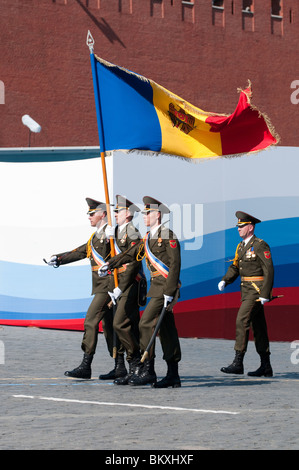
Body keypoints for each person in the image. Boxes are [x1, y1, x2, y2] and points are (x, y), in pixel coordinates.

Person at [101, 196, 182, 388]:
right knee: (168, 330)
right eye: (144, 213)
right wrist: (110, 263)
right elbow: (130, 254)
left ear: (158, 215)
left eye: (148, 213)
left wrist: (170, 291)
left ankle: (148, 370)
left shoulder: (167, 235)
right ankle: (173, 374)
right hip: (156, 289)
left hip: (165, 289)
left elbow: (175, 265)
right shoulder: (147, 238)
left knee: (146, 324)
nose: (144, 216)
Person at [45, 198, 127, 380]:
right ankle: (119, 366)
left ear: (102, 214)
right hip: (100, 286)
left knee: (90, 321)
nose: (89, 217)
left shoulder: (111, 234)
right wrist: (59, 259)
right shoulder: (95, 236)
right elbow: (80, 251)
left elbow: (125, 257)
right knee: (108, 327)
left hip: (108, 287)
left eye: (92, 214)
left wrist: (119, 286)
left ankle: (86, 365)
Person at [218, 211, 274, 377]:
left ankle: (238, 362)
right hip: (246, 291)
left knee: (242, 320)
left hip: (256, 291)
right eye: (238, 226)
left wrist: (265, 293)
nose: (239, 229)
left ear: (250, 227)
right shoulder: (241, 246)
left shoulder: (259, 245)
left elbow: (268, 269)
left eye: (241, 226)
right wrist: (225, 280)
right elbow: (235, 267)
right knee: (259, 327)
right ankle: (266, 365)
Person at [102, 195, 143, 386]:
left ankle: (136, 361)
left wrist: (120, 287)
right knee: (121, 326)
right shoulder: (119, 232)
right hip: (118, 282)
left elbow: (134, 263)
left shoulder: (132, 233)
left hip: (130, 284)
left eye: (118, 211)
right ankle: (126, 366)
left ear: (128, 214)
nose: (115, 214)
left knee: (122, 324)